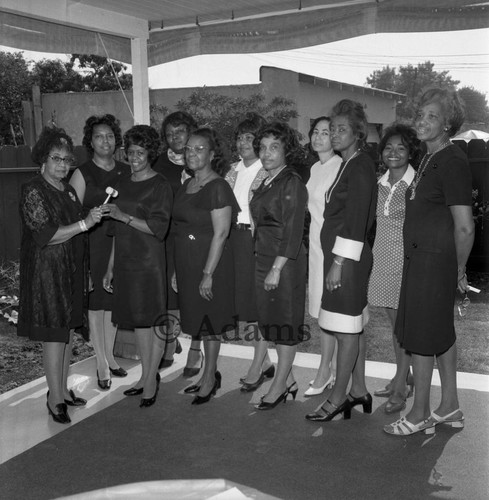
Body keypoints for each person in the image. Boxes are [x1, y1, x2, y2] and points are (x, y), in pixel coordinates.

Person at [384, 88, 474, 436]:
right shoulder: (428, 158)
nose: (422, 120)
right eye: (420, 114)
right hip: (421, 259)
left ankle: (419, 412)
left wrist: (459, 269)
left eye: (432, 116)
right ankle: (449, 405)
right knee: (441, 333)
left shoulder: (452, 160)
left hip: (434, 263)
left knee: (421, 337)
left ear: (448, 123)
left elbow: (465, 226)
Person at [18, 126, 103, 424]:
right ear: (43, 158)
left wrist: (87, 271)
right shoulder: (33, 189)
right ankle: (54, 399)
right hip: (47, 273)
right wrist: (84, 224)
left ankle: (62, 391)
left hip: (71, 270)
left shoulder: (67, 189)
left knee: (66, 333)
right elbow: (44, 234)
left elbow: (80, 236)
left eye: (67, 160)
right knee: (54, 336)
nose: (63, 165)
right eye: (56, 158)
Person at [306, 99, 377, 422]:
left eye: (341, 129)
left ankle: (337, 398)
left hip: (345, 261)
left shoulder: (360, 165)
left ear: (358, 132)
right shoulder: (348, 162)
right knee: (353, 329)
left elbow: (356, 219)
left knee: (346, 330)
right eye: (332, 128)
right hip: (342, 259)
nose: (334, 134)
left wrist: (338, 261)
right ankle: (359, 389)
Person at [103, 125, 173, 408]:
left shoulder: (160, 185)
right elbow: (116, 231)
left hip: (149, 262)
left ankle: (151, 380)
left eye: (140, 152)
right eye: (130, 152)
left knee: (152, 319)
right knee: (139, 322)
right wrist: (110, 267)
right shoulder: (122, 182)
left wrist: (123, 216)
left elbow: (158, 228)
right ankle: (145, 377)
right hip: (125, 260)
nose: (134, 157)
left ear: (150, 154)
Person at [173, 127, 239, 405]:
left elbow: (221, 233)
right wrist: (178, 270)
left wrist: (208, 274)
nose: (192, 153)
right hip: (187, 263)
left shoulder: (218, 187)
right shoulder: (186, 185)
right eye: (189, 148)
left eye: (199, 149)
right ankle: (204, 374)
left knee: (210, 322)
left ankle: (210, 376)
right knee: (199, 320)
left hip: (210, 265)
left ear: (212, 154)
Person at [249, 121, 308, 410]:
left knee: (285, 324)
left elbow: (294, 230)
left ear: (286, 150)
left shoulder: (291, 182)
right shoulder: (266, 180)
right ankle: (289, 380)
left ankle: (278, 386)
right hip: (264, 258)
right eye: (262, 147)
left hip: (284, 263)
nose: (267, 153)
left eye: (274, 147)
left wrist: (276, 268)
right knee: (270, 321)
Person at [70, 114, 130, 390]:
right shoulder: (82, 173)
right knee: (96, 304)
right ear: (89, 142)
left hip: (119, 243)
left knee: (112, 301)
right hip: (92, 243)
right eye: (98, 136)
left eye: (109, 135)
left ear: (116, 139)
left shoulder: (127, 170)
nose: (104, 140)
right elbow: (71, 213)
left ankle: (111, 357)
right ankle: (101, 363)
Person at [368, 124, 420, 413]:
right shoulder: (380, 183)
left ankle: (400, 386)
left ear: (411, 151)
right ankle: (404, 374)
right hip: (382, 259)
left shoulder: (417, 185)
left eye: (401, 147)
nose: (394, 152)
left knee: (404, 328)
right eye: (389, 147)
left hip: (406, 263)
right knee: (395, 326)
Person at [225, 113, 274, 392]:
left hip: (256, 242)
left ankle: (256, 366)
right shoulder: (231, 170)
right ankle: (266, 362)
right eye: (240, 137)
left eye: (249, 137)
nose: (243, 142)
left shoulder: (267, 171)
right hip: (234, 241)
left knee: (257, 307)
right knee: (245, 306)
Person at [153, 111, 201, 375]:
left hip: (196, 238)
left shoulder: (201, 160)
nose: (175, 137)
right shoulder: (158, 163)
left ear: (190, 131)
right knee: (170, 296)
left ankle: (196, 350)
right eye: (170, 133)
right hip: (168, 238)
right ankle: (169, 346)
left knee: (195, 295)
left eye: (180, 131)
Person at [303, 116, 342, 397]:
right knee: (321, 313)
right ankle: (333, 370)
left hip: (332, 249)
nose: (319, 137)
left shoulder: (340, 167)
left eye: (325, 132)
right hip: (315, 247)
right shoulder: (315, 167)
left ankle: (327, 370)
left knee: (332, 314)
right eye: (315, 132)